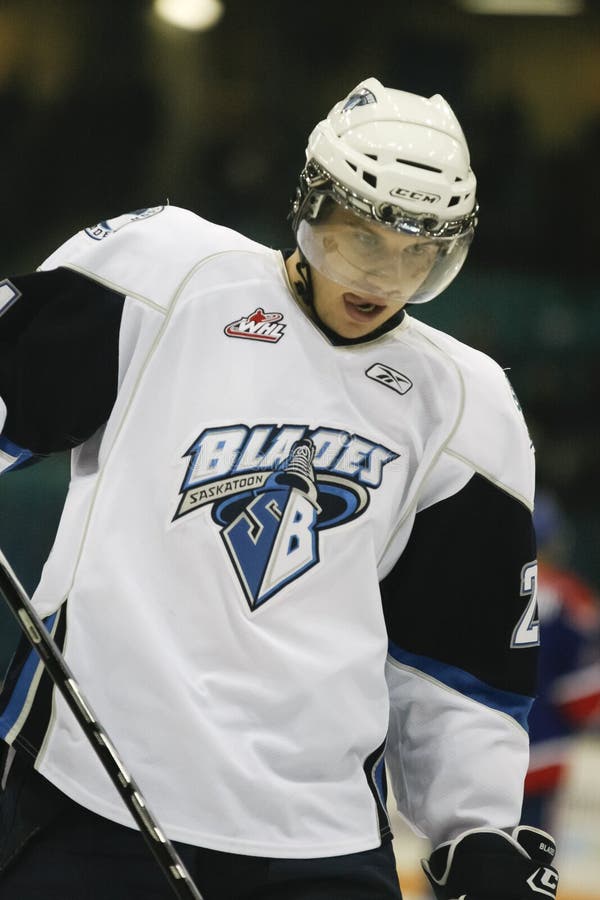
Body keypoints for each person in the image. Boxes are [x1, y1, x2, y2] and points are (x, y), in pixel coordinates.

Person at [0, 77, 559, 899]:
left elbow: (456, 665)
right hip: (91, 797)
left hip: (318, 839)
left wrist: (473, 828)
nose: (384, 279)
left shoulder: (465, 404)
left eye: (420, 257)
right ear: (310, 208)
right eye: (362, 242)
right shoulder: (166, 277)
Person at [522, 490, 600, 833]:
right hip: (541, 753)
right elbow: (582, 694)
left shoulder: (474, 583)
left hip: (468, 749)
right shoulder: (571, 597)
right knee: (526, 865)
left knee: (456, 863)